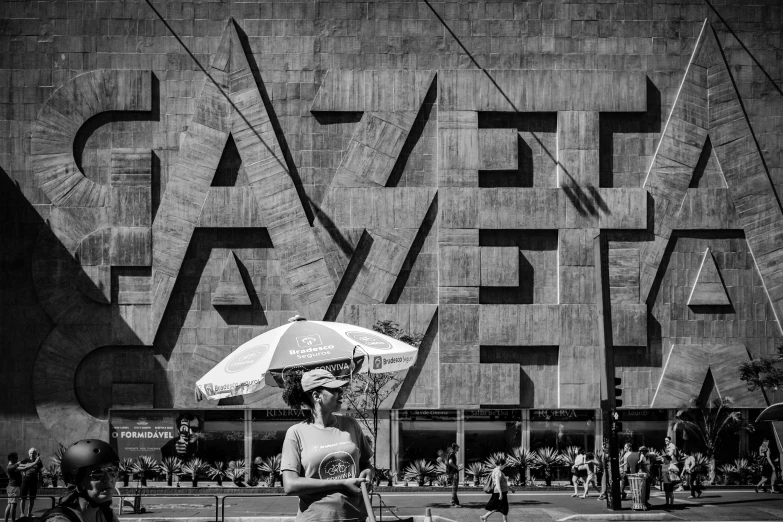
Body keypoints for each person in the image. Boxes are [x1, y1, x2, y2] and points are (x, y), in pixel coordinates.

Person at [280, 369, 373, 522]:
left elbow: (366, 464)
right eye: (334, 390)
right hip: (315, 518)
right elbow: (290, 485)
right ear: (317, 396)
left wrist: (369, 472)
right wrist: (342, 483)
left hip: (355, 516)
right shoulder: (296, 433)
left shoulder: (351, 425)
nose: (341, 393)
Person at [39, 439, 120, 522]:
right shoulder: (60, 520)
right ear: (76, 480)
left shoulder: (106, 514)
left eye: (112, 471)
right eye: (97, 474)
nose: (108, 479)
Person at [480, 456, 511, 522]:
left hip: (500, 492)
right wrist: (500, 493)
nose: (504, 466)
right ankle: (504, 521)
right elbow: (497, 483)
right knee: (502, 508)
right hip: (499, 492)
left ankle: (484, 517)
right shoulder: (498, 472)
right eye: (504, 465)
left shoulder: (496, 471)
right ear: (500, 464)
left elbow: (503, 483)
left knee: (499, 507)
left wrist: (510, 488)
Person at [18, 447, 42, 518]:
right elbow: (19, 466)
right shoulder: (25, 460)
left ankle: (29, 513)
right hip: (25, 481)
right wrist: (23, 473)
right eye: (31, 453)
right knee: (23, 498)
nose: (32, 454)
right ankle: (22, 513)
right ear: (29, 454)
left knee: (32, 498)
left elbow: (40, 472)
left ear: (35, 454)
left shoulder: (39, 461)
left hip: (34, 482)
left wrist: (40, 482)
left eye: (34, 453)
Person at [5, 452, 21, 522]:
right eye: (15, 457)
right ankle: (13, 521)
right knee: (13, 506)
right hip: (13, 487)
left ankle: (6, 520)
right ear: (11, 458)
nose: (17, 459)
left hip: (11, 487)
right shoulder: (10, 467)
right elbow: (17, 466)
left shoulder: (12, 466)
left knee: (9, 505)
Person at [447, 443, 461, 508]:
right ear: (455, 448)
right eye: (457, 447)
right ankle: (453, 503)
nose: (458, 448)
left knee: (455, 488)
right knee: (454, 488)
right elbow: (450, 462)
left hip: (452, 473)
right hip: (454, 473)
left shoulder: (450, 454)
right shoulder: (452, 454)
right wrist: (456, 467)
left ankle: (456, 502)